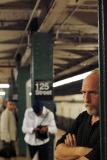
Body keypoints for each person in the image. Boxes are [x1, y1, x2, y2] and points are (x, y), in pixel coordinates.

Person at [55, 69, 100, 160]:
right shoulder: (83, 117)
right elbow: (58, 152)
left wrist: (70, 153)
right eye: (83, 92)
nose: (86, 99)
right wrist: (81, 151)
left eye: (92, 93)